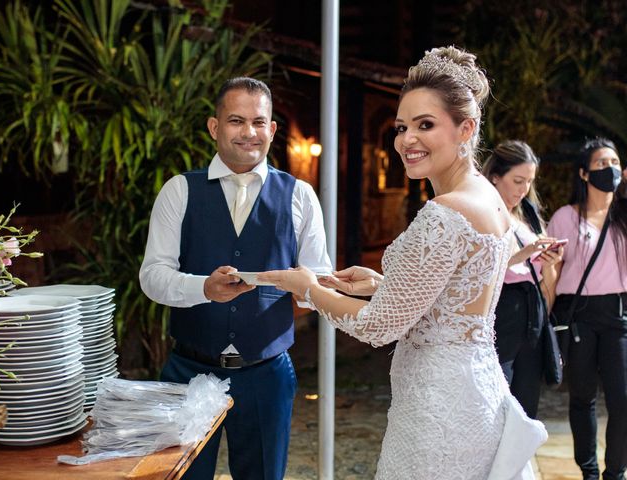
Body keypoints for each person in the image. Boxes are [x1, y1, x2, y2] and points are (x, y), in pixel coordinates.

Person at [259, 46, 547, 479]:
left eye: (425, 125)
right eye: (401, 127)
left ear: (465, 129)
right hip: (477, 394)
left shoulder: (445, 213)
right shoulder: (489, 197)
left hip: (436, 410)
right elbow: (461, 289)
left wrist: (308, 289)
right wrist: (381, 283)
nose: (406, 139)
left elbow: (380, 326)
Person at [139, 77, 332, 480]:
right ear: (214, 127)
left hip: (267, 373)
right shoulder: (179, 191)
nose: (249, 133)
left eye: (259, 122)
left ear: (272, 129)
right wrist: (202, 288)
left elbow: (320, 280)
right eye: (235, 121)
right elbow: (153, 277)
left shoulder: (300, 195)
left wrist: (306, 284)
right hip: (189, 369)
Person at [547, 138, 627, 480]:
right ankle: (589, 472)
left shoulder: (625, 216)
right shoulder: (566, 217)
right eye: (600, 164)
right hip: (578, 317)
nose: (609, 170)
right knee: (582, 398)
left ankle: (616, 473)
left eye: (614, 163)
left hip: (618, 316)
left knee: (623, 401)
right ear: (583, 173)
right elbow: (550, 273)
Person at [482, 140, 563, 418]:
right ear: (495, 176)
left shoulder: (529, 214)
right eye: (518, 180)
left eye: (529, 181)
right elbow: (475, 268)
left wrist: (551, 264)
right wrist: (522, 255)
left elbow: (545, 281)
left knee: (527, 406)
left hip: (533, 313)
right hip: (502, 310)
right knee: (496, 401)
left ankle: (519, 462)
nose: (523, 189)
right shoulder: (481, 214)